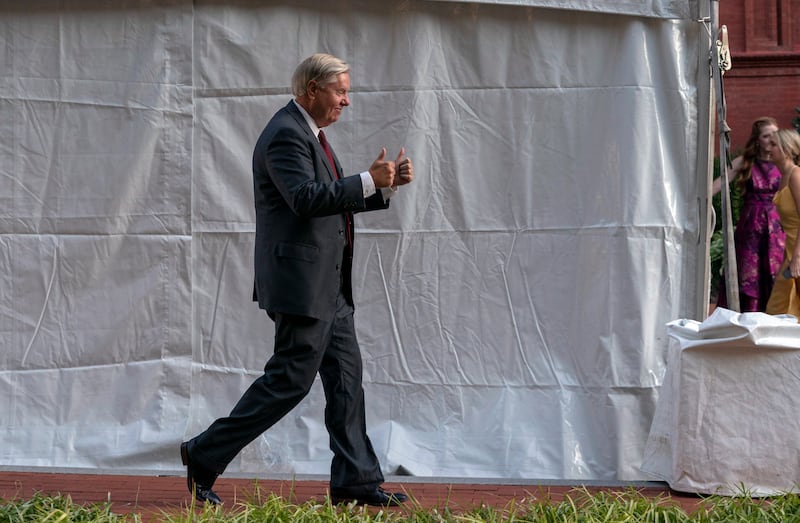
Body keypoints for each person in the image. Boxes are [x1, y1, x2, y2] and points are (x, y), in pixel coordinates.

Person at [180, 53, 414, 506]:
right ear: (311, 90)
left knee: (347, 382)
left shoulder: (310, 134)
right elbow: (305, 200)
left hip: (329, 289)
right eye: (340, 91)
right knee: (288, 382)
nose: (347, 100)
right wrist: (367, 179)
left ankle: (357, 482)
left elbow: (327, 202)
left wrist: (382, 187)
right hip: (303, 288)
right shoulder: (286, 135)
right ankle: (203, 454)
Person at [714, 116, 785, 312]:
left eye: (774, 135)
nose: (771, 140)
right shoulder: (745, 162)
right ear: (757, 139)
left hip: (777, 227)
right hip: (751, 226)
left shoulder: (785, 162)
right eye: (766, 136)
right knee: (748, 271)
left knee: (775, 270)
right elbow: (717, 184)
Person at [765, 129, 800, 319]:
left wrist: (796, 257)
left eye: (773, 145)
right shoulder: (783, 177)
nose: (768, 148)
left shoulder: (796, 175)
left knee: (784, 307)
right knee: (779, 307)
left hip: (797, 250)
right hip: (791, 248)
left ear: (786, 150)